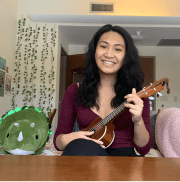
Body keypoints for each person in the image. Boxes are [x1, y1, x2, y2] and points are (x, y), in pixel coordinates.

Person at [54, 24, 152, 156]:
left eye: (118, 49)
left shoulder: (137, 95)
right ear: (94, 51)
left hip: (123, 163)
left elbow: (143, 149)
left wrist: (138, 120)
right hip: (86, 154)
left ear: (126, 56)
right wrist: (70, 138)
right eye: (103, 46)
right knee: (78, 147)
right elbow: (58, 142)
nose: (109, 54)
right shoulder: (74, 91)